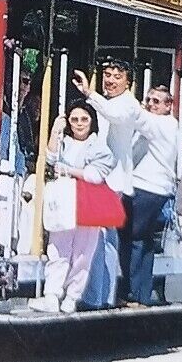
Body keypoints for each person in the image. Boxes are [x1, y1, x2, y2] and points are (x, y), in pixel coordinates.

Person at [30, 99, 116, 312]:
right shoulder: (64, 142)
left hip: (88, 202)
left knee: (82, 254)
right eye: (74, 119)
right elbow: (50, 158)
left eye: (84, 119)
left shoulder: (99, 147)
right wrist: (54, 132)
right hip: (64, 202)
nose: (79, 124)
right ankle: (52, 295)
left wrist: (69, 171)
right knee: (58, 249)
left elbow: (96, 174)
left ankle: (71, 297)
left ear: (91, 121)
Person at [71, 56, 144, 299]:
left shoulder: (128, 104)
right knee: (103, 237)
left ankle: (98, 297)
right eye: (108, 75)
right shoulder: (108, 102)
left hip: (112, 180)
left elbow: (115, 116)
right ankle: (102, 295)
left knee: (101, 237)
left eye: (117, 76)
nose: (111, 81)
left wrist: (90, 94)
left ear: (128, 82)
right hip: (100, 176)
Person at [125, 83, 182, 306]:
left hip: (149, 188)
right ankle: (142, 293)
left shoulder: (165, 124)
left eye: (156, 101)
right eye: (148, 100)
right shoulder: (156, 124)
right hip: (150, 188)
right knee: (144, 240)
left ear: (169, 105)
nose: (150, 104)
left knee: (134, 237)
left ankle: (133, 292)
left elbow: (138, 117)